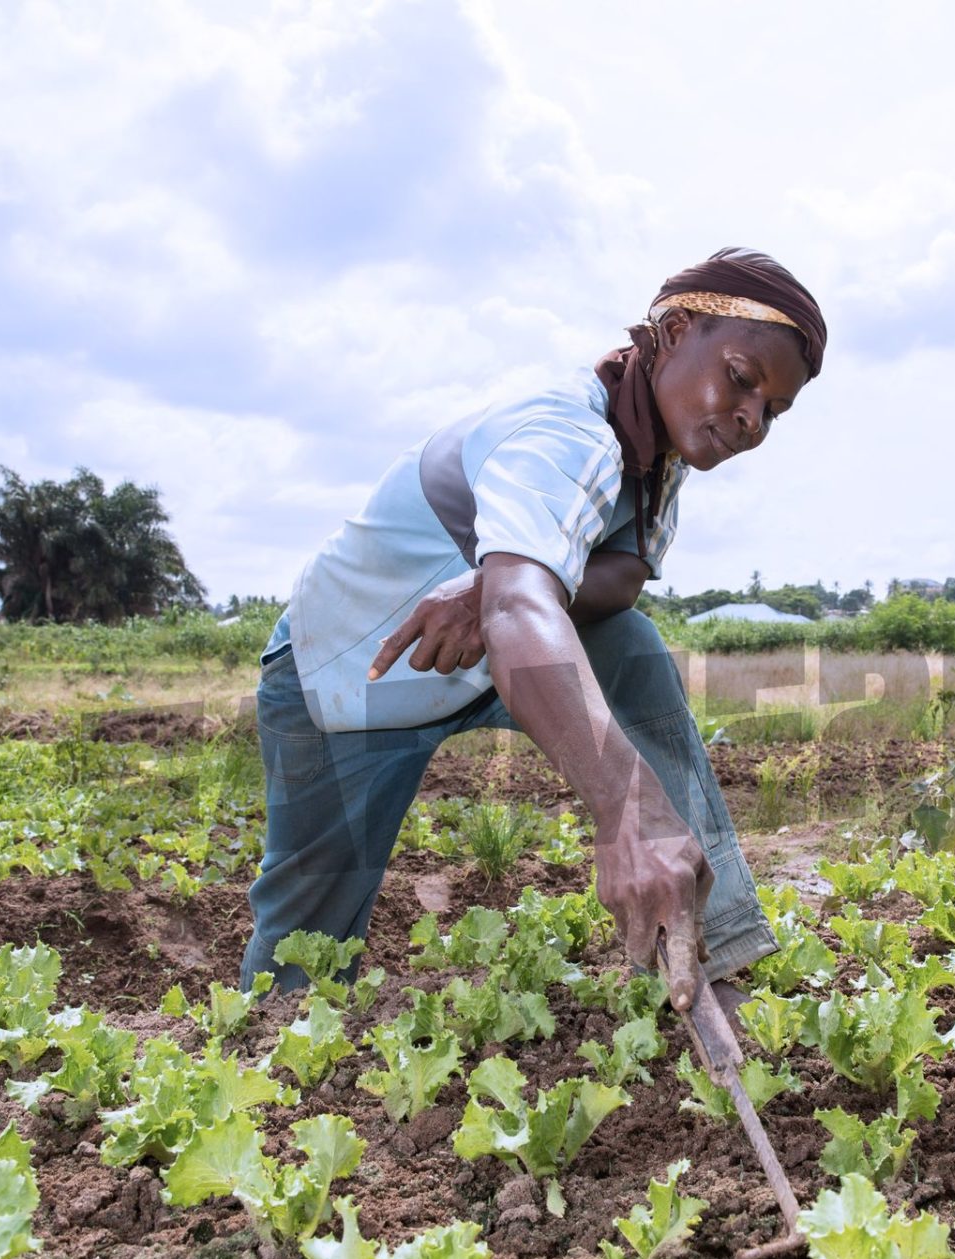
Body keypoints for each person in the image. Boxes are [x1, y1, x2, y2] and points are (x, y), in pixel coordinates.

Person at [242, 248, 827, 1016]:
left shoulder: (656, 459)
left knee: (631, 648)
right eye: (744, 380)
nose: (751, 418)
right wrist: (628, 810)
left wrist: (488, 584)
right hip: (354, 677)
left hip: (484, 667)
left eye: (772, 412)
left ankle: (709, 946)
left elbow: (619, 578)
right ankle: (267, 1063)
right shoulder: (565, 431)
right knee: (304, 949)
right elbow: (522, 612)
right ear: (676, 332)